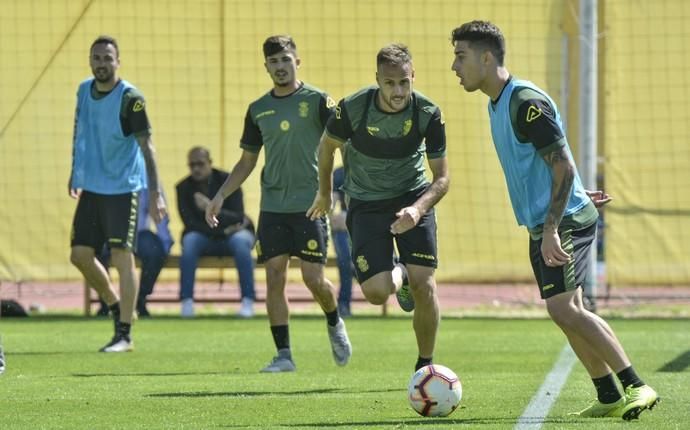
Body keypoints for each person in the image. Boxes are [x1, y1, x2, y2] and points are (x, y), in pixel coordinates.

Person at [449, 20, 659, 420]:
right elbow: (556, 161)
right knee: (564, 308)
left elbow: (560, 164)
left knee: (564, 309)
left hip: (561, 223)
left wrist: (552, 227)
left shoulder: (524, 102)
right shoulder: (497, 102)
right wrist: (573, 194)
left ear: (486, 57)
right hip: (550, 219)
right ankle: (609, 395)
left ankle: (636, 385)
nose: (454, 66)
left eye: (461, 56)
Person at [206, 35, 352, 372]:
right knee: (274, 277)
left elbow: (343, 145)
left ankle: (334, 321)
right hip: (273, 206)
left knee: (314, 279)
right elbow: (246, 162)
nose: (280, 67)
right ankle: (284, 355)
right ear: (266, 67)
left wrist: (341, 191)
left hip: (311, 205)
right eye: (273, 62)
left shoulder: (319, 101)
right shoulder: (258, 110)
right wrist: (220, 195)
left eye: (285, 60)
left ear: (297, 61)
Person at [308, 43, 450, 371]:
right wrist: (325, 194)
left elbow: (442, 179)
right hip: (367, 203)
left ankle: (425, 366)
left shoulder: (428, 113)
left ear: (413, 76)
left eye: (404, 82)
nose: (398, 90)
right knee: (375, 293)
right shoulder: (352, 108)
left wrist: (417, 209)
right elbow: (326, 149)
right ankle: (399, 271)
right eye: (390, 83)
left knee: (425, 284)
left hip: (412, 198)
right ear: (377, 80)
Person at [69, 35, 166, 352]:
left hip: (124, 188)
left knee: (123, 257)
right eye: (96, 57)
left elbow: (147, 147)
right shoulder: (84, 90)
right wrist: (76, 170)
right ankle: (115, 304)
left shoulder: (130, 98)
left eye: (107, 58)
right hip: (93, 187)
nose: (101, 63)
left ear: (118, 61)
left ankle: (124, 334)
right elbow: (79, 130)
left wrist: (155, 193)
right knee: (80, 255)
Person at [176, 147, 256, 318]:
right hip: (208, 236)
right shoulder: (183, 187)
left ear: (210, 163)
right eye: (192, 165)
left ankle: (248, 301)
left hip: (234, 235)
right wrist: (222, 231)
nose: (196, 168)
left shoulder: (228, 181)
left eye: (200, 164)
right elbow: (189, 223)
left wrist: (210, 208)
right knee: (190, 242)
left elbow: (238, 215)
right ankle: (186, 302)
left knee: (241, 243)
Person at [94, 188, 174, 317]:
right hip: (110, 232)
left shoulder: (148, 180)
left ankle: (140, 300)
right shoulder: (107, 178)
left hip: (139, 233)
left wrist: (165, 242)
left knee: (155, 251)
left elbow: (159, 212)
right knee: (95, 251)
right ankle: (107, 300)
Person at [331, 166, 354, 317]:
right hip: (347, 226)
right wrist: (333, 217)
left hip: (370, 222)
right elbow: (330, 206)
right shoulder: (339, 173)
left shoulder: (374, 165)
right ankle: (343, 304)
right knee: (345, 258)